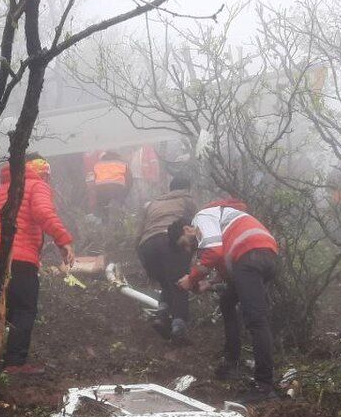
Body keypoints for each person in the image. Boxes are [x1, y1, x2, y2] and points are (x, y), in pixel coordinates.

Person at [0, 156, 74, 375]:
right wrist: (63, 239)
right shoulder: (35, 185)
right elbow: (43, 212)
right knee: (25, 309)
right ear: (40, 171)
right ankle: (15, 363)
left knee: (6, 309)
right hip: (19, 256)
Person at [172, 199, 279, 401]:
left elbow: (214, 251)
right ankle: (232, 363)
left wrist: (191, 278)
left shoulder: (201, 217)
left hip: (250, 254)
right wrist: (209, 283)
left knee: (256, 320)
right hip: (264, 254)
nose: (189, 250)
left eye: (185, 244)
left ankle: (264, 386)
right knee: (227, 301)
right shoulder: (221, 221)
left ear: (188, 229)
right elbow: (228, 264)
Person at [135, 174, 197, 340]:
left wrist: (143, 259)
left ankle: (162, 317)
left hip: (146, 245)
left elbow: (139, 231)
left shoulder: (153, 203)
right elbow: (195, 226)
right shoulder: (187, 200)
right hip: (169, 241)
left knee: (165, 282)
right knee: (180, 282)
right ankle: (179, 327)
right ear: (187, 189)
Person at [88, 150, 131, 224]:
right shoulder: (122, 163)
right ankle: (120, 224)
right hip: (117, 188)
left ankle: (104, 224)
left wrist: (94, 191)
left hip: (101, 189)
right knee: (119, 207)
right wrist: (124, 195)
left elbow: (92, 179)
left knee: (103, 209)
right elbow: (129, 180)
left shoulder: (98, 164)